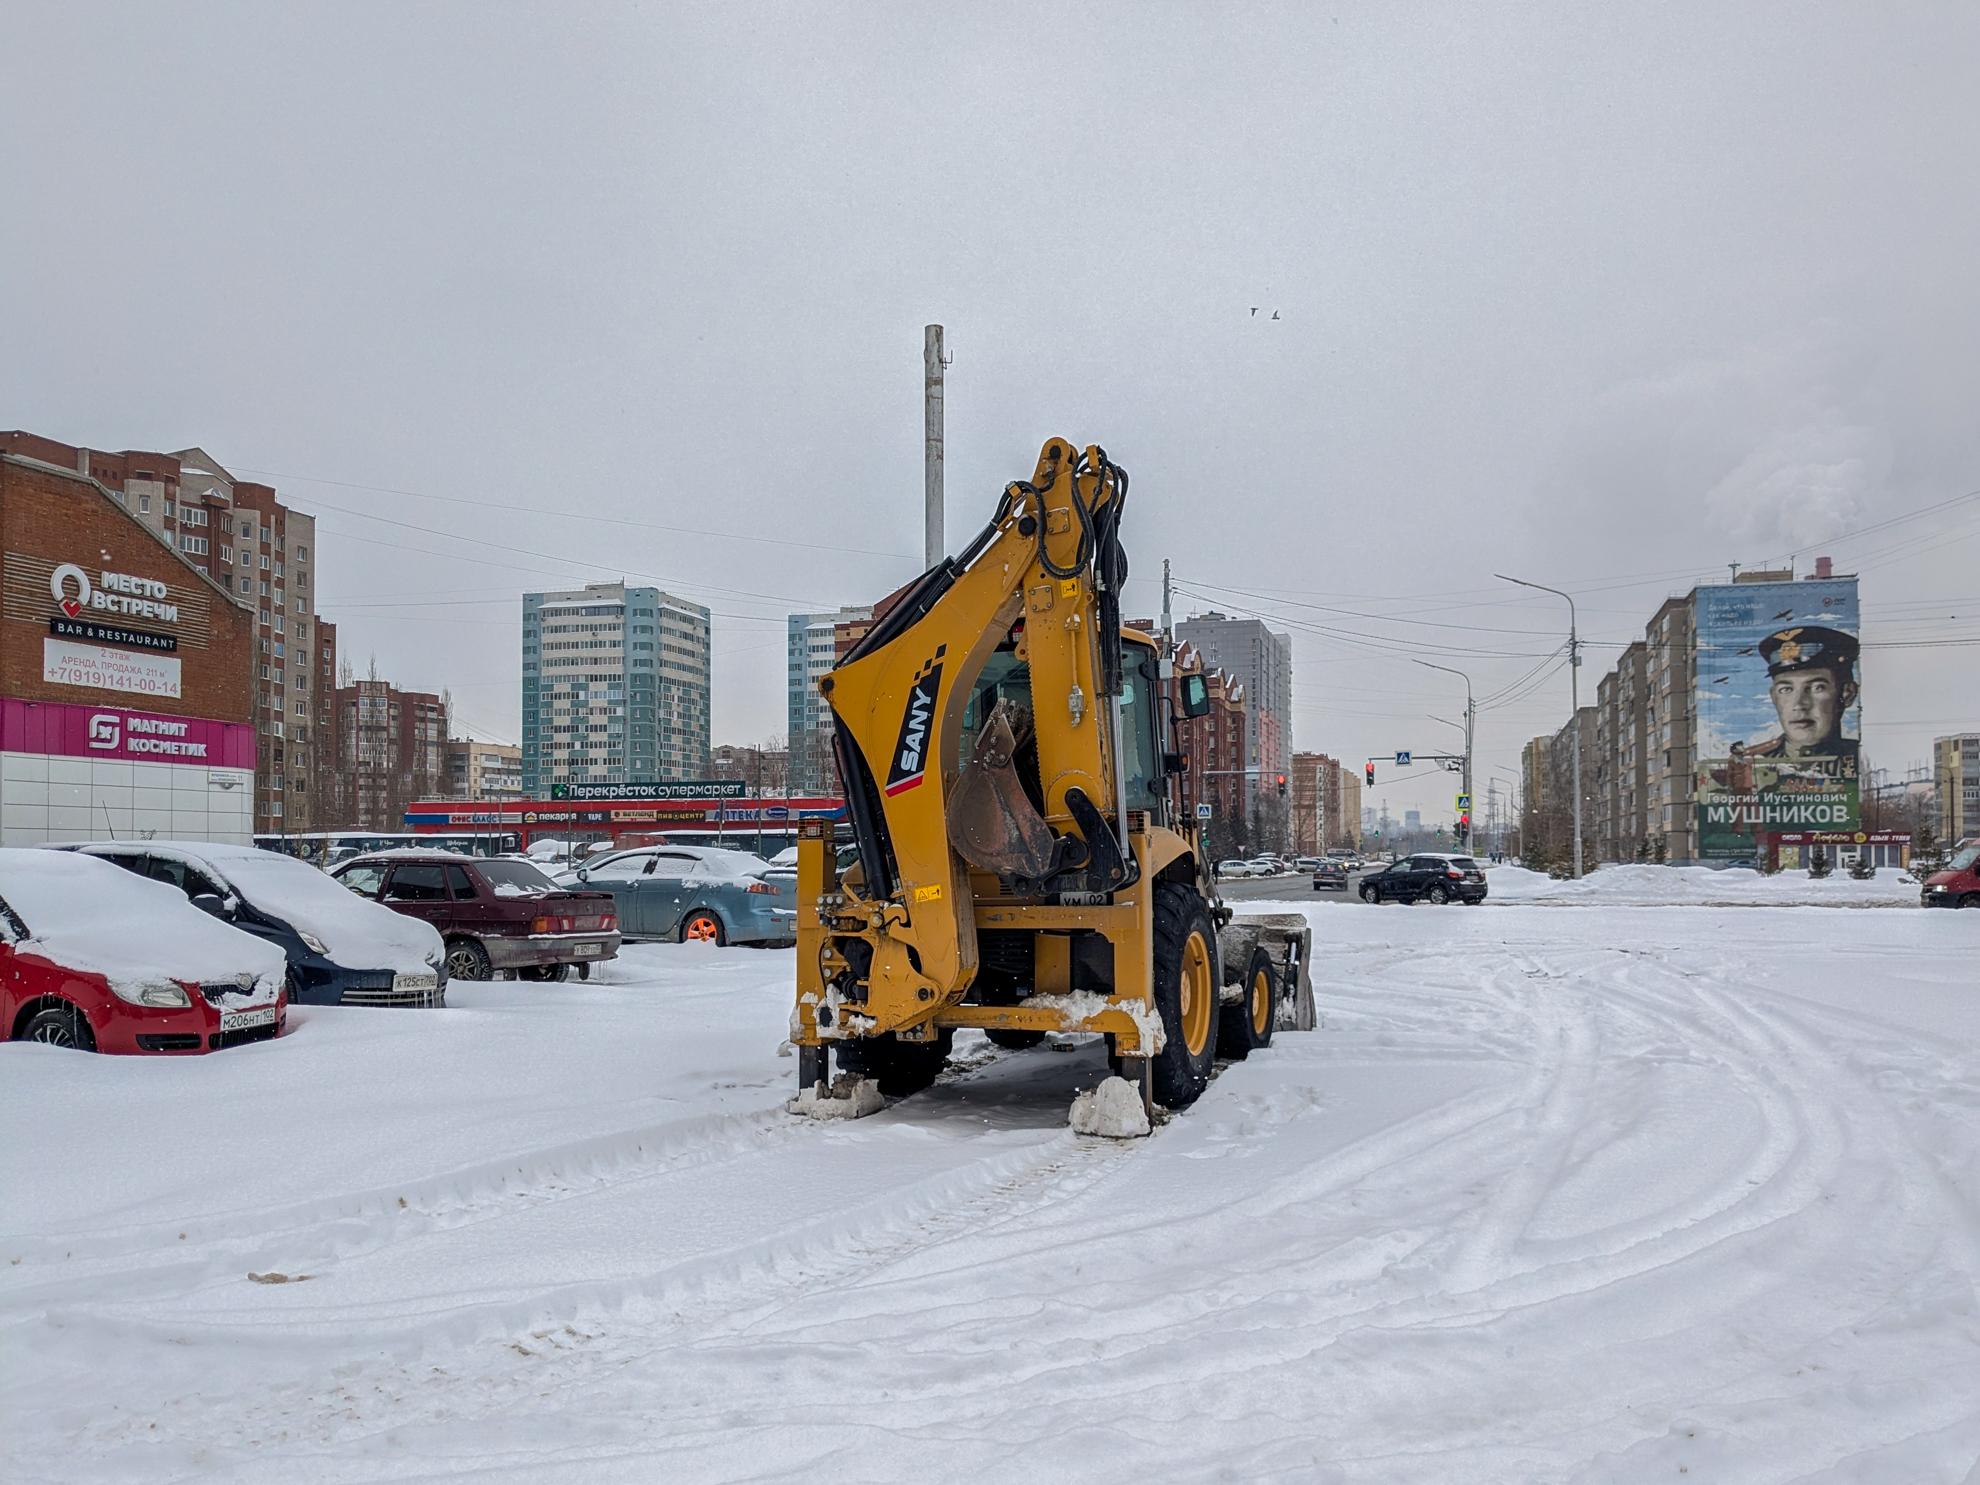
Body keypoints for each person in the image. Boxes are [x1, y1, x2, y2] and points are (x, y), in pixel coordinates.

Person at [1743, 626, 1860, 765]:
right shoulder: (1753, 764)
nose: (1798, 705)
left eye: (1817, 687)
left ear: (1847, 694)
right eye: (1786, 689)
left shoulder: (1865, 757)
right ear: (1774, 698)